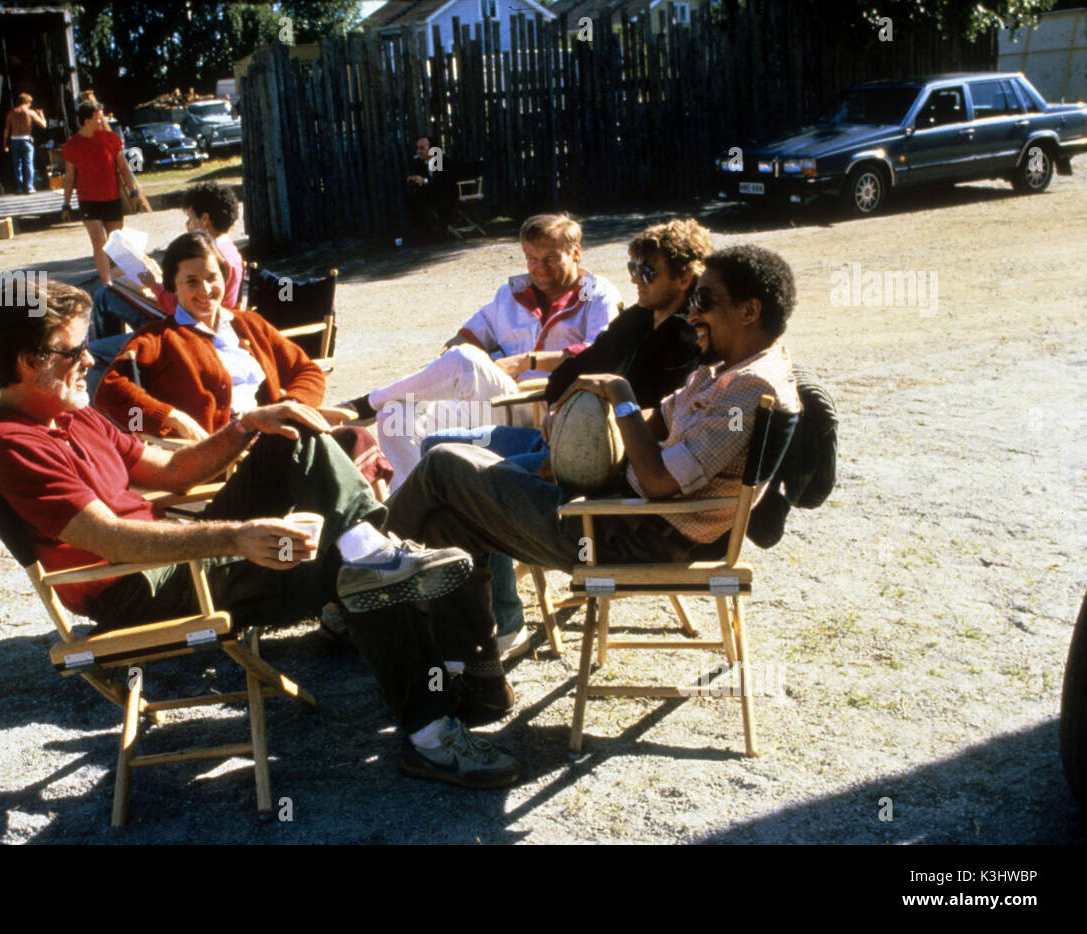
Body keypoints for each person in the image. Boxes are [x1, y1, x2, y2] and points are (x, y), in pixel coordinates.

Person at [0, 281, 523, 788]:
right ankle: (431, 734)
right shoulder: (11, 444)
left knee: (289, 431)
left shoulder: (74, 415)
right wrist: (239, 537)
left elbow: (170, 472)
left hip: (169, 563)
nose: (90, 360)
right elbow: (114, 541)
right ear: (27, 361)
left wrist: (245, 427)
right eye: (74, 352)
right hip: (135, 591)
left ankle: (373, 554)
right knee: (350, 572)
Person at [383, 244, 803, 702]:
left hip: (629, 534)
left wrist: (619, 393)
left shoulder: (749, 388)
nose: (693, 315)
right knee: (450, 520)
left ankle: (365, 566)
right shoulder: (723, 369)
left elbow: (661, 481)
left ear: (749, 311)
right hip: (617, 511)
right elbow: (655, 419)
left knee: (445, 463)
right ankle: (481, 680)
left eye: (704, 302)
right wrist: (570, 449)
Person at [417, 218, 711, 658]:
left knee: (468, 490)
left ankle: (502, 621)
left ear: (686, 277)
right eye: (633, 266)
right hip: (560, 437)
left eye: (648, 271)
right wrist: (557, 407)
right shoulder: (640, 318)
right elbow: (580, 366)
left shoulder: (689, 338)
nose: (635, 278)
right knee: (435, 444)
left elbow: (652, 420)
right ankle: (409, 572)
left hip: (595, 462)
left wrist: (574, 431)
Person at [92, 231, 391, 496]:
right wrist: (170, 417)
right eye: (191, 282)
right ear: (173, 286)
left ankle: (377, 535)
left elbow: (307, 369)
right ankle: (369, 542)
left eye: (212, 277)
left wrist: (291, 406)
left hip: (276, 437)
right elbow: (110, 393)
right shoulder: (158, 338)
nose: (206, 289)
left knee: (354, 439)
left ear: (224, 277)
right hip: (226, 457)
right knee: (345, 444)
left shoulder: (249, 324)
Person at [341, 213, 621, 486]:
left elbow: (596, 354)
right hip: (499, 402)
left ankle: (365, 403)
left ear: (575, 253)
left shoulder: (596, 294)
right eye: (532, 259)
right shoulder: (511, 294)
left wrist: (525, 361)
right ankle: (413, 502)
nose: (540, 268)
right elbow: (463, 339)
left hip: (551, 407)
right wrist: (469, 364)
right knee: (395, 415)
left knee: (466, 360)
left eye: (551, 258)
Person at [89, 181, 244, 342]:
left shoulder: (209, 257)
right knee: (111, 292)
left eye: (191, 218)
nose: (187, 225)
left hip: (187, 329)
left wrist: (154, 285)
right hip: (208, 322)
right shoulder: (232, 251)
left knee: (105, 296)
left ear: (205, 220)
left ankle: (110, 355)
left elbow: (179, 308)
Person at [61, 98, 141, 286]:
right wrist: (65, 203)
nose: (102, 121)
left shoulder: (112, 140)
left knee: (116, 243)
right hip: (88, 201)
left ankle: (122, 280)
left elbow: (124, 168)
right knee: (99, 240)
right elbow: (70, 178)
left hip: (112, 198)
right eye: (98, 117)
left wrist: (133, 191)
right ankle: (107, 285)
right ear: (87, 121)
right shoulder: (72, 146)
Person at [403, 135, 455, 239]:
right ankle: (421, 231)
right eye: (417, 148)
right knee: (410, 199)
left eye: (422, 148)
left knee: (443, 198)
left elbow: (443, 182)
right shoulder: (418, 162)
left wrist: (424, 181)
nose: (418, 151)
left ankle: (442, 232)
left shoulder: (442, 160)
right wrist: (413, 179)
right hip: (429, 194)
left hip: (445, 193)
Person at [3, 93, 46, 194]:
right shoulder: (30, 112)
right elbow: (44, 125)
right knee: (28, 164)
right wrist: (41, 114)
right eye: (30, 103)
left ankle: (19, 188)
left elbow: (6, 129)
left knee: (17, 166)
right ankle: (29, 188)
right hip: (26, 140)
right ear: (27, 102)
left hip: (14, 141)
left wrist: (5, 144)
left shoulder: (11, 113)